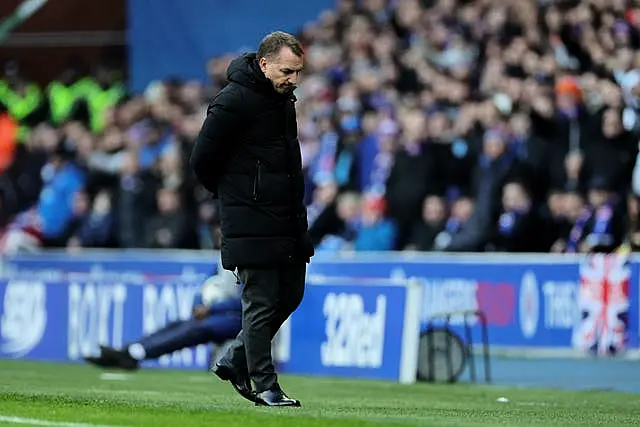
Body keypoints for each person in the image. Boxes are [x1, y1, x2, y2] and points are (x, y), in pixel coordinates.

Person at [190, 31, 314, 407]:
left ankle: (235, 357)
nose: (293, 79)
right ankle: (265, 384)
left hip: (287, 217)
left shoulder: (283, 101)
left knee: (291, 294)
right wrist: (239, 196)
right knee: (260, 301)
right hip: (251, 219)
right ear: (264, 64)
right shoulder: (233, 100)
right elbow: (201, 161)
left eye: (297, 72)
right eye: (287, 71)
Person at [83, 263, 242, 371]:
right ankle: (130, 350)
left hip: (237, 318)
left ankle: (132, 354)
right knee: (178, 324)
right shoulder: (222, 258)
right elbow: (205, 286)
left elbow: (246, 302)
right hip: (217, 313)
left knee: (194, 329)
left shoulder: (244, 260)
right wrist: (198, 304)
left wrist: (211, 308)